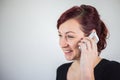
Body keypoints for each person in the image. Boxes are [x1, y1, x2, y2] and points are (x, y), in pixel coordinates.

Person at [56, 4, 120, 80]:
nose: (62, 44)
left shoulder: (114, 70)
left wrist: (87, 71)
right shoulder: (61, 70)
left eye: (70, 36)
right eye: (60, 35)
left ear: (91, 36)